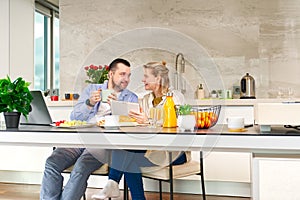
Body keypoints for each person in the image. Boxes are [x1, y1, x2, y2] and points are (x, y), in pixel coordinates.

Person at [40, 58, 138, 200]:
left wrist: (117, 107)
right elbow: (74, 117)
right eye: (122, 74)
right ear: (111, 74)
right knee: (52, 163)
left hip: (101, 143)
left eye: (129, 75)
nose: (126, 79)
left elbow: (131, 125)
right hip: (78, 138)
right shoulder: (91, 90)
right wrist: (89, 103)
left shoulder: (131, 98)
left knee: (81, 167)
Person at [92, 61, 191, 200]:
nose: (142, 80)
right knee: (128, 155)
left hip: (173, 153)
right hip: (151, 150)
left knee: (129, 158)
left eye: (146, 76)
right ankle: (115, 186)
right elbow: (139, 128)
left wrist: (149, 121)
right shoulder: (145, 99)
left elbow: (180, 127)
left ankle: (113, 183)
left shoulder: (175, 98)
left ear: (158, 78)